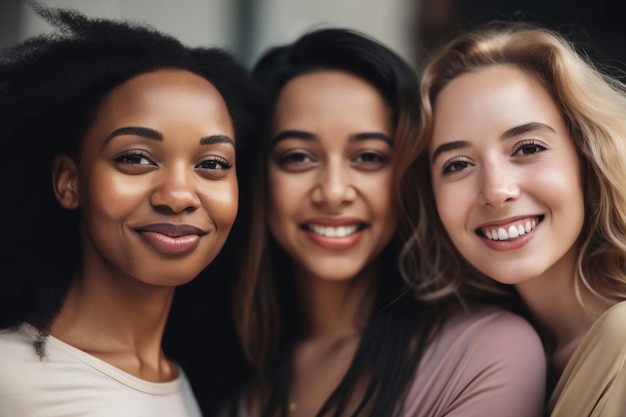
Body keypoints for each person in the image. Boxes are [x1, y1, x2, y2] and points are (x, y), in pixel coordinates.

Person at [226, 28, 546, 417]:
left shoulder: (487, 351)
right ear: (257, 174)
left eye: (368, 157)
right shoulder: (230, 371)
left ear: (409, 175)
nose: (333, 191)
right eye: (297, 157)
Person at [0, 3, 259, 416]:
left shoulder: (181, 377)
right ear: (70, 181)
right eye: (136, 158)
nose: (177, 195)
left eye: (211, 164)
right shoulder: (11, 380)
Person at [412, 21, 626, 417]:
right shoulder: (482, 356)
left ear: (588, 154)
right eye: (457, 164)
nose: (496, 190)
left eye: (527, 148)